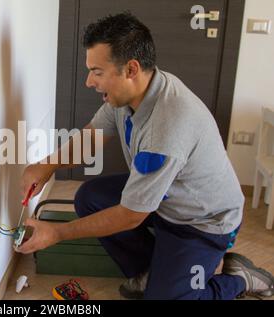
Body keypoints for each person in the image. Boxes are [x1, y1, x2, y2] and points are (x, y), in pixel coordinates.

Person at [17, 12, 274, 300]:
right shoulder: (133, 92)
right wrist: (47, 164)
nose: (89, 81)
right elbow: (91, 138)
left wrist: (57, 233)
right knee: (90, 197)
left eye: (97, 72)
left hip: (203, 222)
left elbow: (130, 216)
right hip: (165, 201)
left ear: (131, 69)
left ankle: (240, 279)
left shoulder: (166, 127)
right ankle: (150, 272)